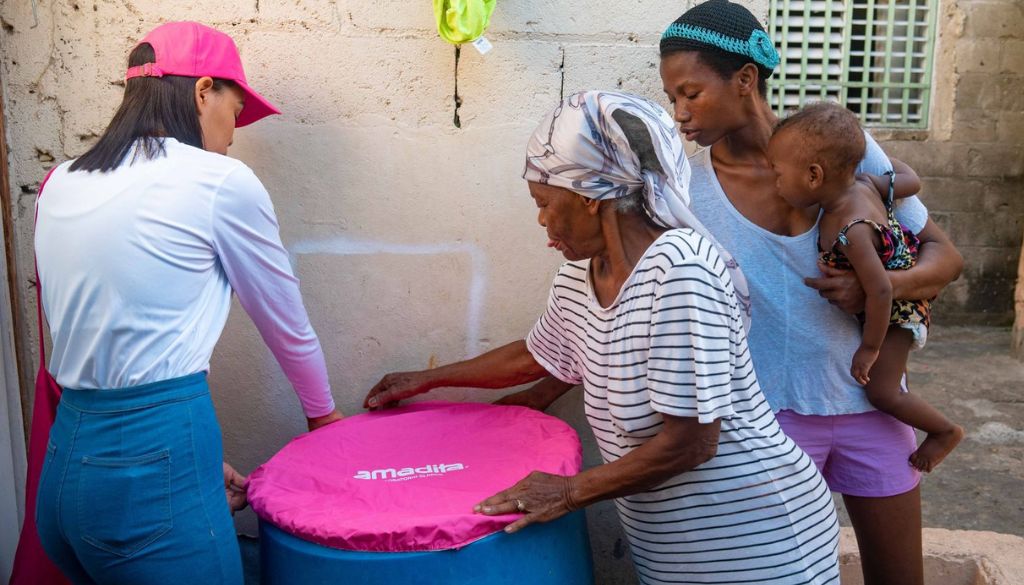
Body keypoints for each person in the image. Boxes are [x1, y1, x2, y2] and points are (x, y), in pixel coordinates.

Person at [499, 2, 963, 584]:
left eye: (691, 93)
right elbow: (615, 321)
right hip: (771, 423)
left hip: (871, 402)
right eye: (672, 99)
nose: (680, 114)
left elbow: (946, 258)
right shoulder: (680, 194)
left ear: (746, 79)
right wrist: (501, 412)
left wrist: (875, 286)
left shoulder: (840, 148)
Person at [365, 90, 841, 585]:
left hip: (760, 543)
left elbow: (693, 442)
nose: (541, 219)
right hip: (676, 555)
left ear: (591, 196)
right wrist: (423, 381)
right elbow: (535, 357)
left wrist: (568, 492)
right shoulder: (579, 276)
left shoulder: (680, 269)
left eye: (545, 201)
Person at [32, 21, 342, 584]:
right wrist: (325, 419)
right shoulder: (219, 181)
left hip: (66, 472)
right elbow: (286, 324)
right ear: (202, 91)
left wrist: (191, 462)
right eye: (234, 109)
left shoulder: (60, 180)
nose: (233, 132)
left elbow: (92, 339)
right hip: (148, 475)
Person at [768, 102, 963, 473]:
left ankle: (944, 431)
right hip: (889, 305)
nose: (774, 182)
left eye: (777, 174)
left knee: (882, 390)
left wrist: (869, 349)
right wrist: (889, 169)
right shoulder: (867, 182)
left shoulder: (852, 229)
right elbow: (911, 180)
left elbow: (881, 291)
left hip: (896, 314)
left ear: (813, 175)